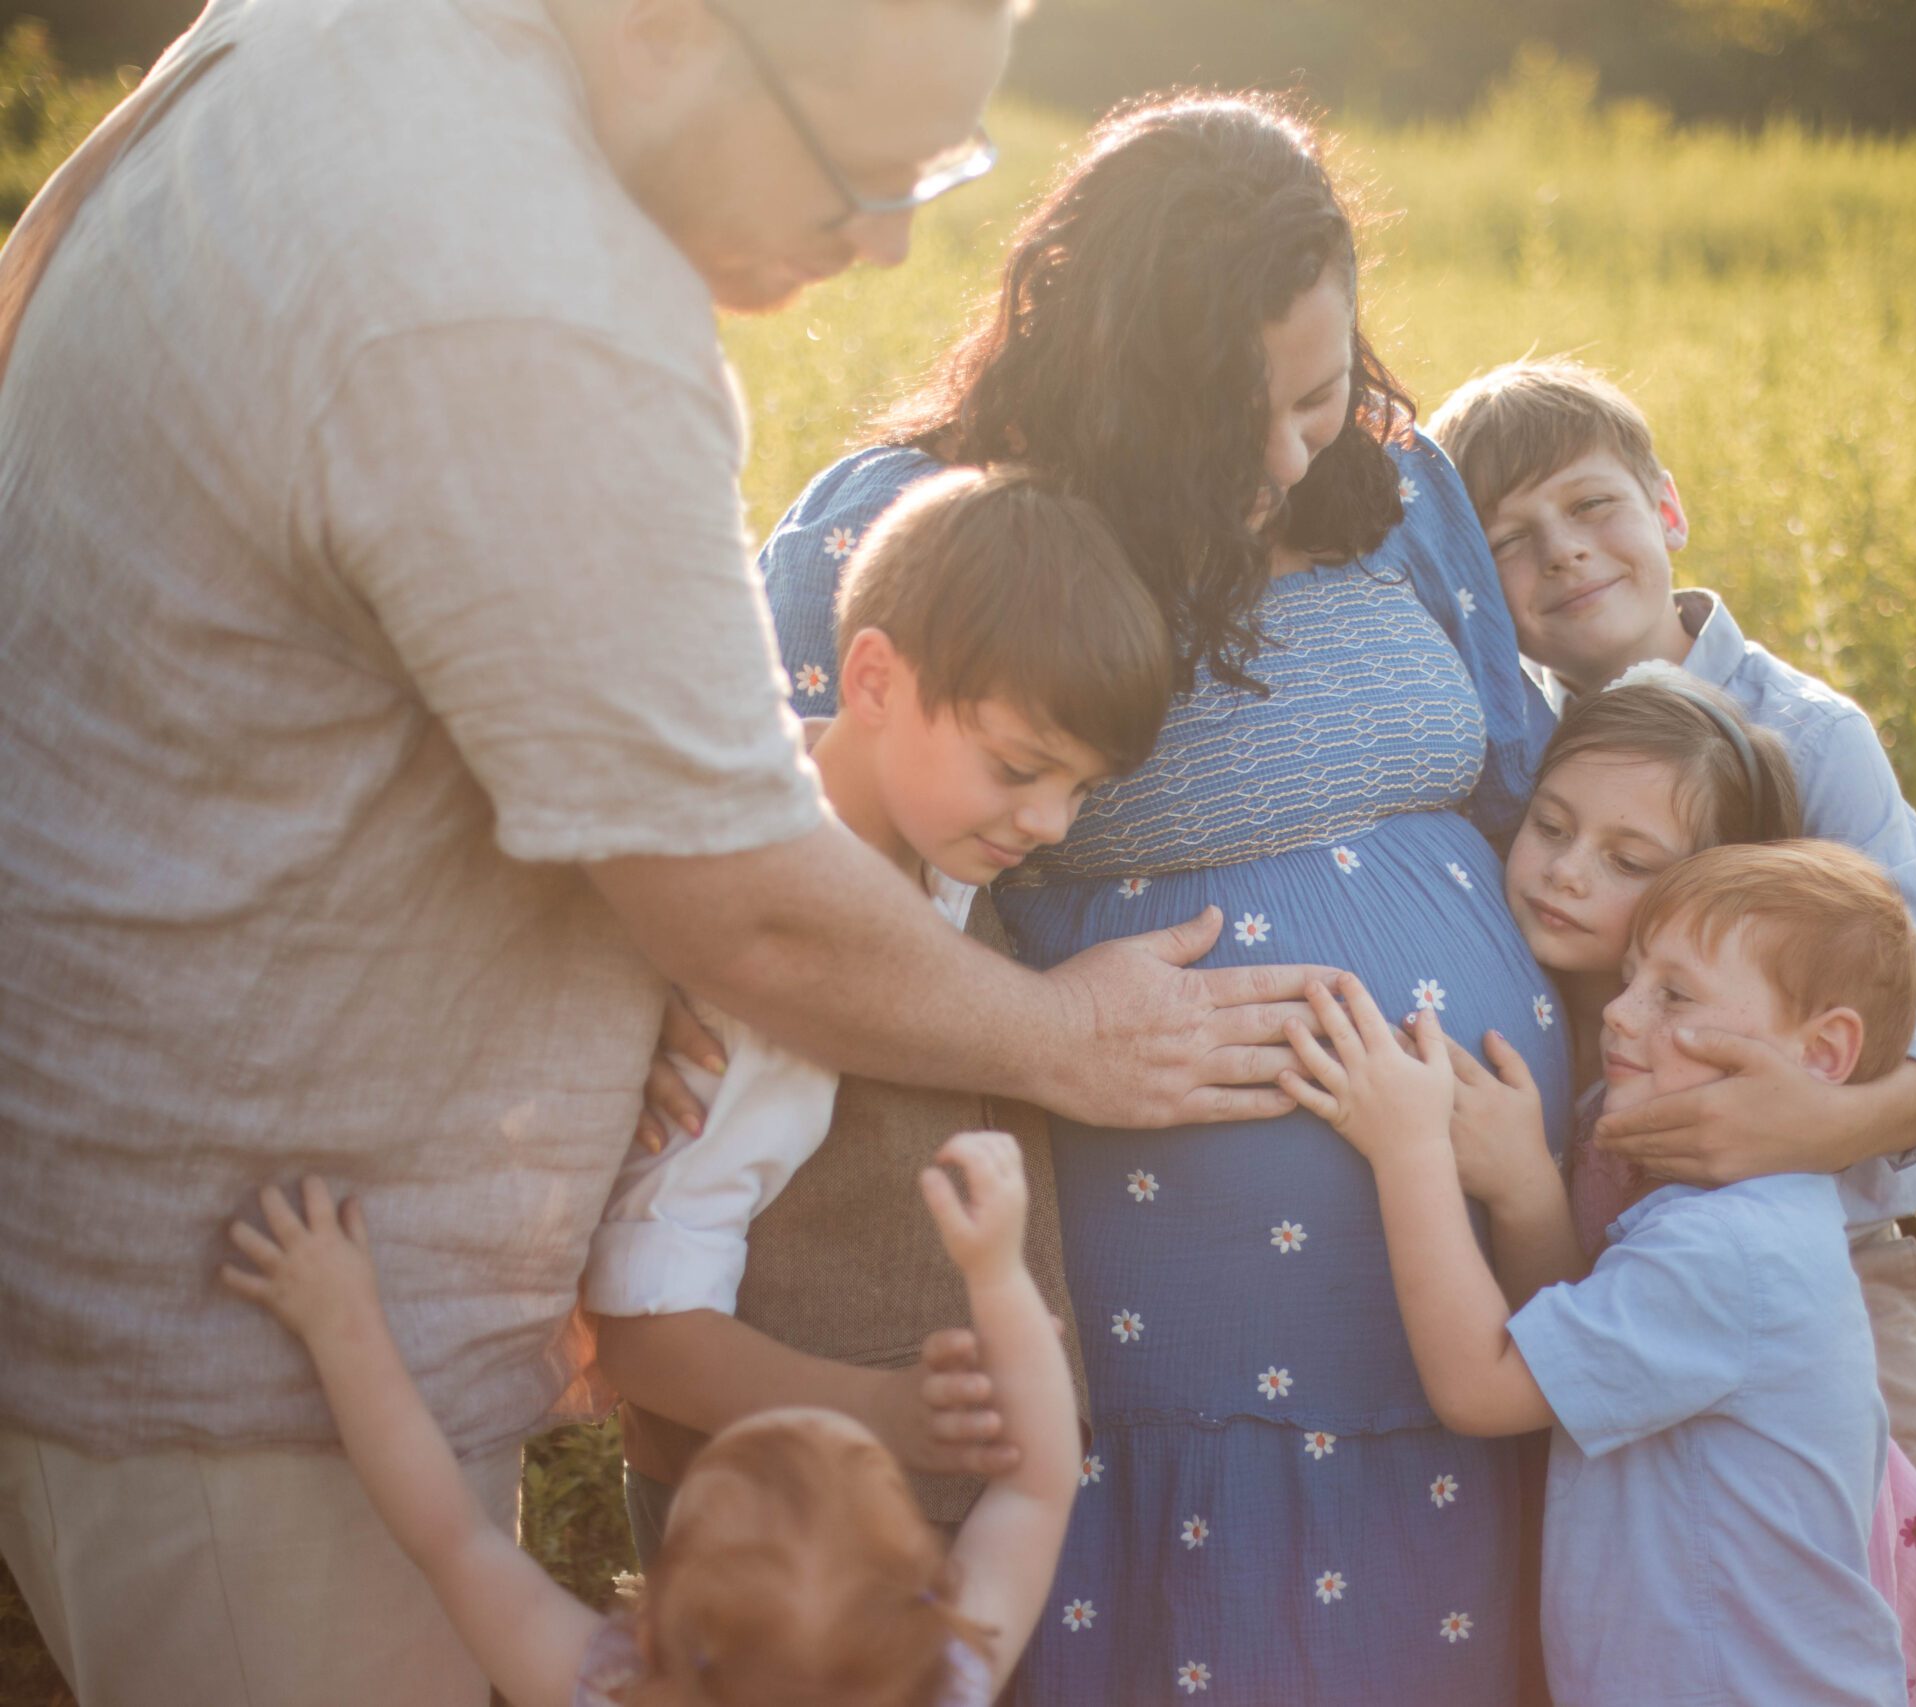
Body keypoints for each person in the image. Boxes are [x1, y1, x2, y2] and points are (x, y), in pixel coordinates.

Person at [0, 3, 1321, 1700]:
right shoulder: (521, 293)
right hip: (247, 1365)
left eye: (940, 169)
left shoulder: (324, 40)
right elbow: (751, 913)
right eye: (868, 166)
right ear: (668, 22)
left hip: (164, 1276)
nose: (896, 238)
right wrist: (1061, 1037)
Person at [757, 93, 1569, 1703]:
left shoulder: (1397, 496)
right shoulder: (904, 527)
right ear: (1119, 380)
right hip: (1151, 1367)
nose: (1286, 456)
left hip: (1482, 1315)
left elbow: (1529, 805)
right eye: (1232, 417)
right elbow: (768, 854)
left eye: (1319, 393)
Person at [1429, 356, 1916, 1584]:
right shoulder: (1510, 752)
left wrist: (1818, 1121)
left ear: (1668, 509)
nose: (1566, 554)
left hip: (1828, 1271)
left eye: (1593, 508)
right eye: (1512, 540)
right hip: (1608, 1268)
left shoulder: (1803, 735)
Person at [585, 467, 1173, 1560]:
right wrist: (884, 1416)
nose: (1048, 822)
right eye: (1018, 768)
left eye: (1081, 789)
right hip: (780, 1564)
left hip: (896, 1539)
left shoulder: (922, 849)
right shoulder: (771, 981)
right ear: (871, 680)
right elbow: (643, 1331)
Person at [1280, 841, 1916, 1707]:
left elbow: (1484, 1386)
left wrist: (1408, 1146)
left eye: (1674, 994)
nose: (1620, 1014)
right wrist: (1522, 1187)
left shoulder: (1729, 1255)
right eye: (1629, 979)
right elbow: (1571, 1349)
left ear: (1823, 1053)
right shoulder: (1737, 1219)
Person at [219, 1129, 1079, 1707]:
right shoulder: (941, 1682)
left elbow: (449, 1535)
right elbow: (1038, 1489)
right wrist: (997, 1272)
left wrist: (341, 1326)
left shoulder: (616, 1685)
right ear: (928, 1607)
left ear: (660, 1616)